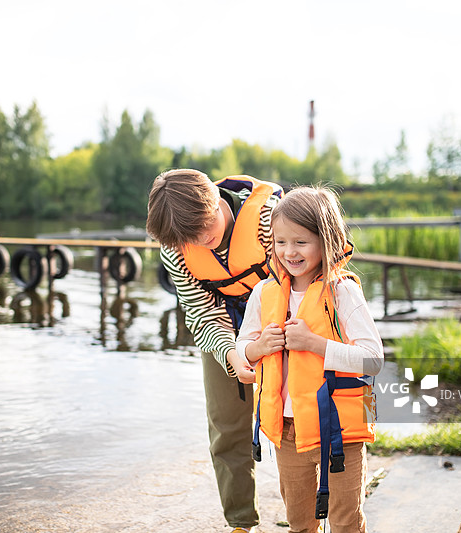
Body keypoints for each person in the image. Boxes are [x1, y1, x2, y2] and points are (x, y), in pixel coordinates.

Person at [236, 185, 383, 533]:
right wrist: (257, 349)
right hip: (287, 430)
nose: (290, 251)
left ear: (326, 240)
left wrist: (315, 343)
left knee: (345, 519)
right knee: (299, 522)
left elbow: (373, 359)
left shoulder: (342, 291)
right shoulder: (264, 292)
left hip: (339, 430)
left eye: (301, 242)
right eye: (281, 241)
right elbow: (243, 347)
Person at [146, 169, 283, 533]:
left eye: (205, 225)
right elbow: (200, 311)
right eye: (190, 238)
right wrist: (233, 355)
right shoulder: (177, 247)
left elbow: (300, 279)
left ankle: (311, 511)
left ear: (215, 200)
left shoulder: (267, 219)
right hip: (223, 326)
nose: (202, 240)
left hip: (282, 319)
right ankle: (241, 523)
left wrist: (266, 342)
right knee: (226, 427)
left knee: (299, 415)